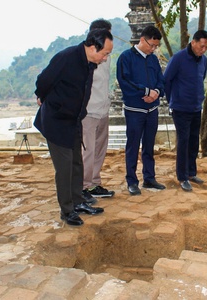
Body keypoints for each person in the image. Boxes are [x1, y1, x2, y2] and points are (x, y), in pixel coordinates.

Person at [34, 29, 113, 226]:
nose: (105, 59)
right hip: (56, 121)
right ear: (94, 47)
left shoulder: (89, 63)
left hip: (74, 120)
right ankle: (67, 210)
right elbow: (43, 81)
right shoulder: (67, 58)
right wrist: (44, 98)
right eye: (105, 54)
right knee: (65, 168)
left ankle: (78, 202)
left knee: (77, 163)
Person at [116, 25, 165, 196]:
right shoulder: (125, 58)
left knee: (149, 145)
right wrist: (145, 92)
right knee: (133, 145)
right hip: (134, 110)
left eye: (156, 46)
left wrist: (156, 93)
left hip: (152, 109)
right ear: (142, 40)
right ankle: (131, 181)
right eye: (151, 45)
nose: (153, 49)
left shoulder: (153, 60)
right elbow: (124, 81)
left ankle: (149, 178)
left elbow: (161, 80)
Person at [164, 30, 207, 192]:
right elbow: (167, 80)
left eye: (206, 47)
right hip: (180, 108)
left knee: (193, 142)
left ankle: (191, 173)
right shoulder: (178, 58)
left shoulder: (204, 61)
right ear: (193, 42)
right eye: (202, 46)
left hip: (196, 107)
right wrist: (172, 100)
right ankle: (182, 177)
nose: (203, 49)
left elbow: (201, 79)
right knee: (183, 142)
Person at [81, 19, 115, 204]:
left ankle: (94, 183)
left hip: (103, 109)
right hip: (88, 112)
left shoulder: (106, 56)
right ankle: (83, 187)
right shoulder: (84, 57)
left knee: (99, 150)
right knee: (87, 151)